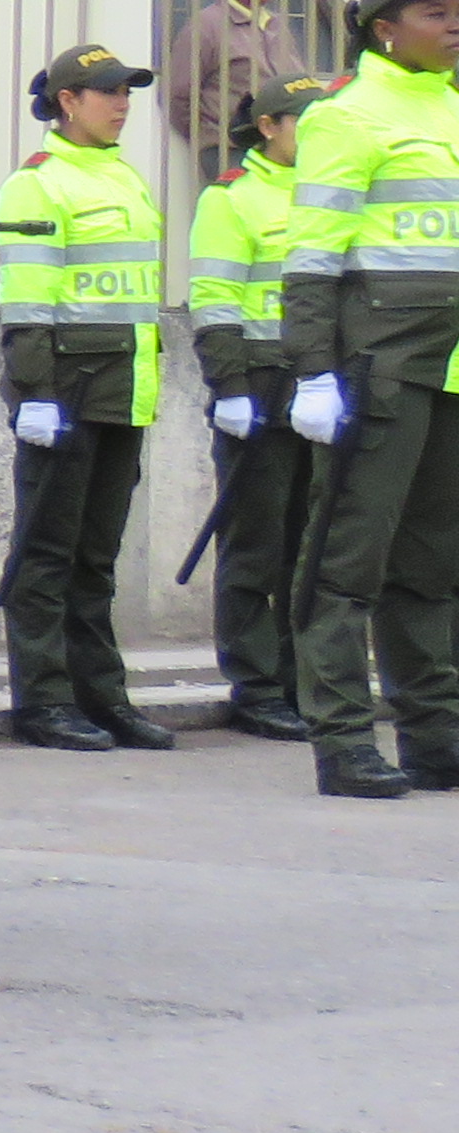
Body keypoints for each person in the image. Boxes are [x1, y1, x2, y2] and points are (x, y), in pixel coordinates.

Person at [278, 0, 459, 800]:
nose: (453, 21)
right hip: (379, 367)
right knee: (347, 560)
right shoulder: (347, 117)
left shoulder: (453, 105)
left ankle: (433, 733)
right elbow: (311, 258)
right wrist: (314, 372)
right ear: (385, 29)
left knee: (433, 562)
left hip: (450, 370)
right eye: (434, 11)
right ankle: (343, 738)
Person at [0, 46, 178, 754]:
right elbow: (28, 303)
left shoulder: (125, 177)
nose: (122, 102)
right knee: (47, 554)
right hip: (64, 399)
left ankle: (102, 696)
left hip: (123, 394)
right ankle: (42, 701)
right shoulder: (38, 184)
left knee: (96, 558)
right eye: (107, 91)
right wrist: (33, 394)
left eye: (126, 91)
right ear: (68, 101)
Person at [183, 69, 339, 743]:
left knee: (313, 546)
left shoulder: (334, 194)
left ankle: (304, 677)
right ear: (268, 127)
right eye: (304, 120)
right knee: (255, 545)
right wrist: (230, 389)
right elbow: (214, 304)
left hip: (320, 390)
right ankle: (255, 682)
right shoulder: (233, 199)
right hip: (261, 391)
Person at [161, 0, 297, 159]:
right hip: (229, 151)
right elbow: (178, 94)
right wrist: (210, 137)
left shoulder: (277, 25)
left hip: (277, 151)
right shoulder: (207, 25)